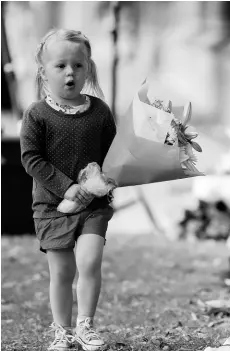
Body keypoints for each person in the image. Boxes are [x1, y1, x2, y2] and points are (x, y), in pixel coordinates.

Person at [19, 28, 116, 351]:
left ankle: (85, 325)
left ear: (88, 68)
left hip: (93, 206)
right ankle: (62, 331)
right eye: (60, 66)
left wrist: (108, 184)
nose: (70, 72)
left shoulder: (100, 111)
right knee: (62, 271)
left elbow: (113, 156)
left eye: (78, 65)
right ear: (44, 72)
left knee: (89, 261)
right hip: (51, 206)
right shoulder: (37, 114)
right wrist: (66, 187)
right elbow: (31, 158)